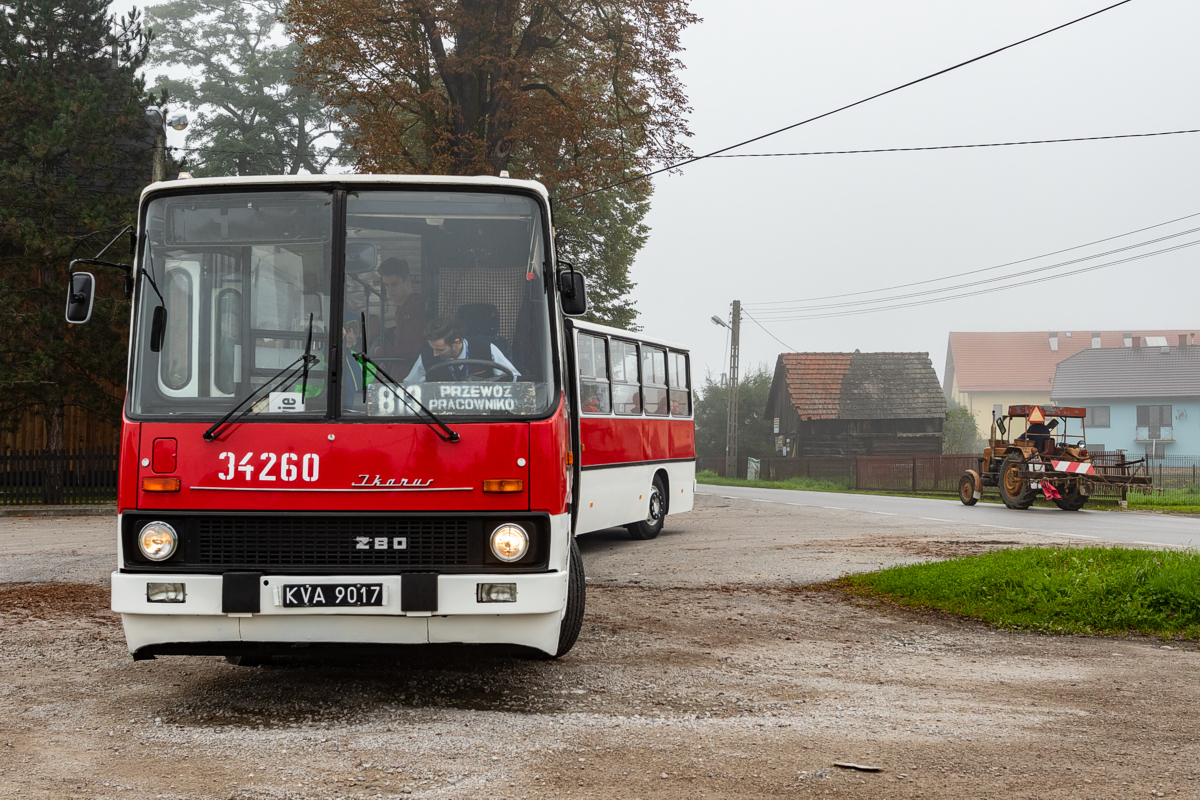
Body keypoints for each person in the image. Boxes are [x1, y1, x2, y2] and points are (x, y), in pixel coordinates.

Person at [405, 317, 519, 383]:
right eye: (432, 348)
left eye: (440, 350)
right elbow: (409, 389)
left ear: (456, 342)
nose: (434, 354)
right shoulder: (426, 356)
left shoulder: (486, 349)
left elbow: (514, 380)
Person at [378, 257, 424, 366]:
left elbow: (410, 350)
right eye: (386, 285)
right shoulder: (403, 308)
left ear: (408, 280)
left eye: (395, 284)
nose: (390, 290)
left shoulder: (415, 307)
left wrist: (381, 351)